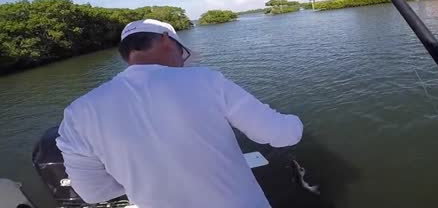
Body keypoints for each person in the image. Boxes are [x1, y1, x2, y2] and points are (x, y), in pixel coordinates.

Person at [56, 19, 303, 208]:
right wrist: (295, 121)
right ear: (166, 40)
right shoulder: (206, 80)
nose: (183, 63)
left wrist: (144, 176)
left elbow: (93, 193)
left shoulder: (78, 113)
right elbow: (282, 135)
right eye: (183, 54)